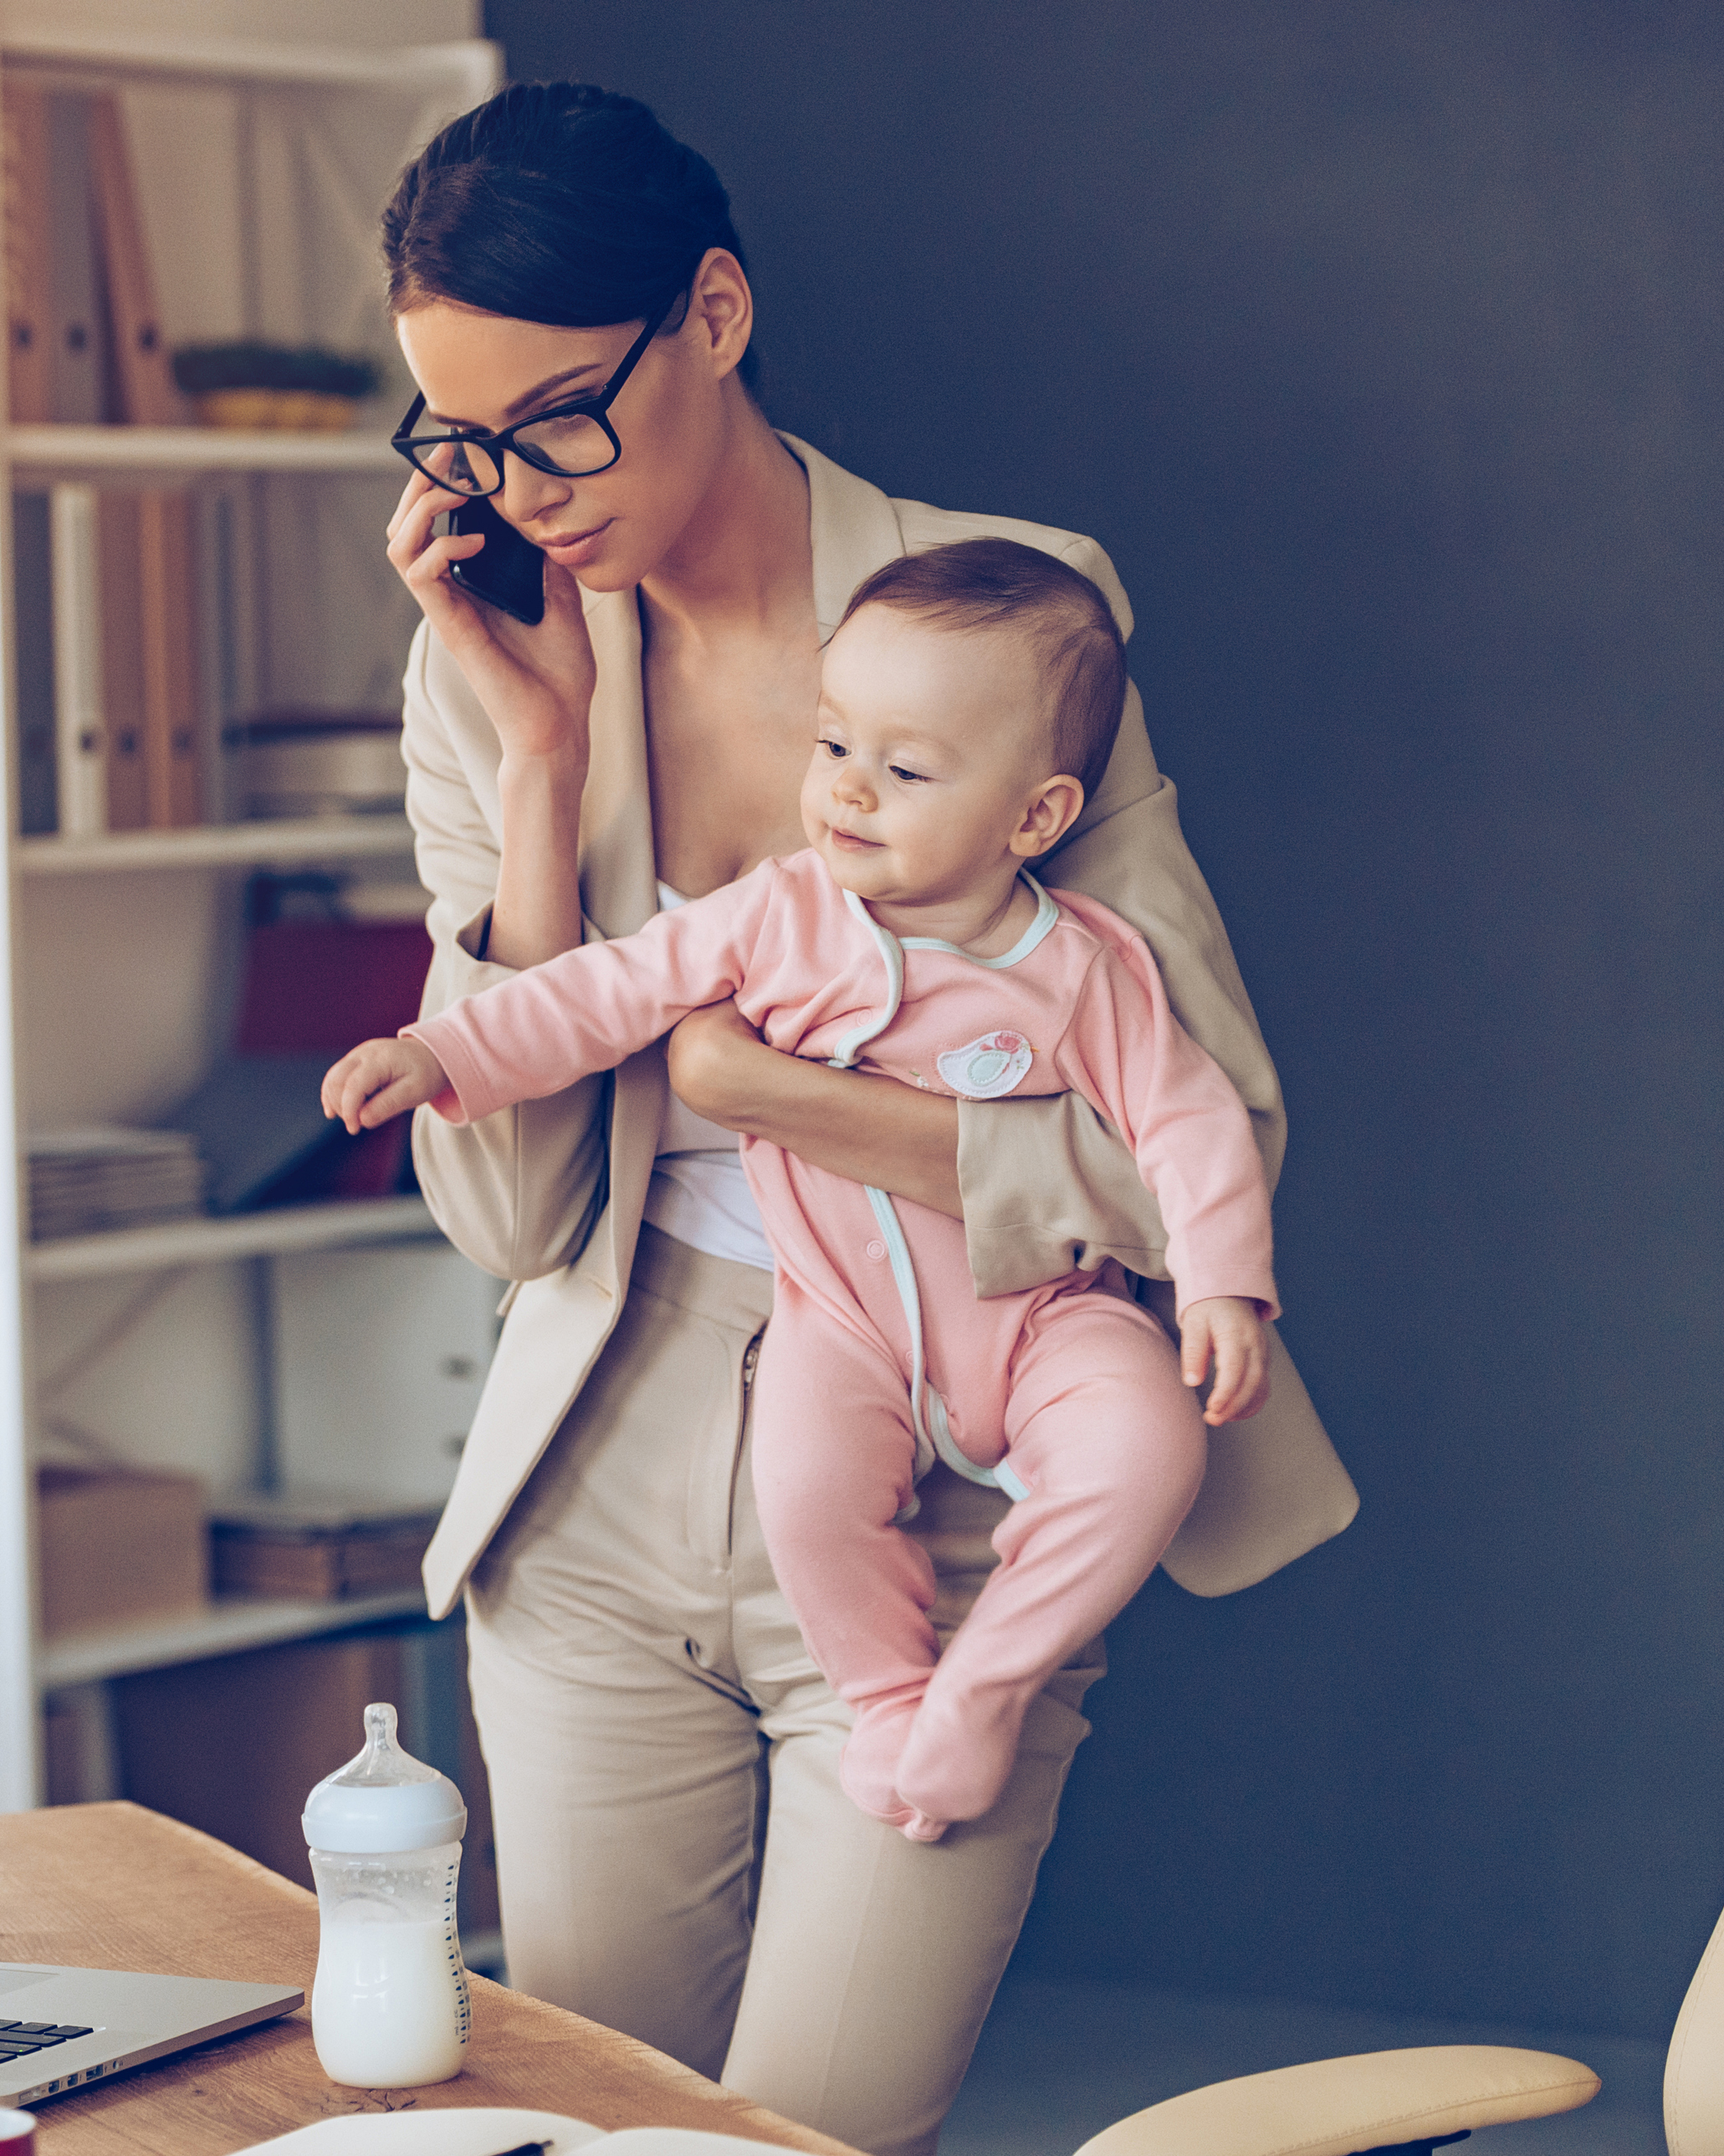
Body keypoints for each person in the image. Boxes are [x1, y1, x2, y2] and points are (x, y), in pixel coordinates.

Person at [379, 82, 1360, 2156]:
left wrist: (780, 1097)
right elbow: (512, 1213)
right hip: (602, 1481)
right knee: (576, 2128)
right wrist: (537, 769)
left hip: (949, 1476)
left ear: (714, 314)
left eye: (559, 416)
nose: (518, 491)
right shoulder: (483, 666)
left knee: (803, 2139)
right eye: (458, 440)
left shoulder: (1008, 614)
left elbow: (1202, 1140)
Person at [331, 537, 1276, 1838]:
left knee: (1150, 1445)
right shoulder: (777, 913)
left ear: (1037, 816)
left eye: (905, 769)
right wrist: (440, 1050)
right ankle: (891, 1695)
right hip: (839, 1324)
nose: (845, 792)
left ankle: (985, 1683)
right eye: (833, 746)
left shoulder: (1083, 965)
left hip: (1049, 1316)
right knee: (805, 1481)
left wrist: (1224, 1285)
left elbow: (1190, 1118)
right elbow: (606, 993)